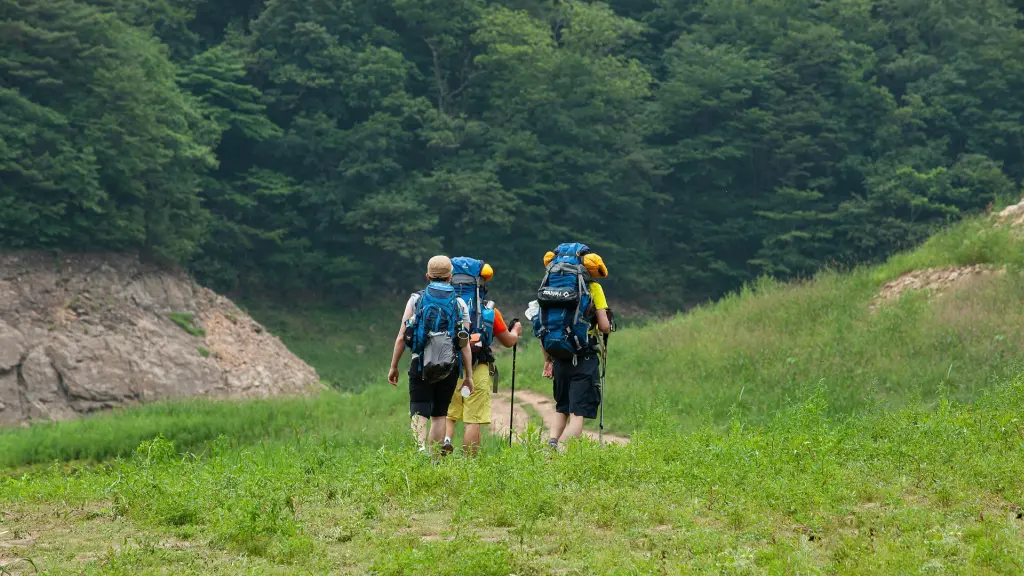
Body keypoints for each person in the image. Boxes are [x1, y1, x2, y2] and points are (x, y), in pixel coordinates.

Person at [388, 255, 474, 455]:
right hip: (448, 367)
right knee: (439, 414)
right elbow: (464, 343)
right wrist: (469, 376)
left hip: (420, 363)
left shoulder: (416, 300)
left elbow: (402, 336)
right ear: (450, 276)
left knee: (419, 411)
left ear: (427, 276)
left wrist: (394, 366)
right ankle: (434, 460)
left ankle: (419, 450)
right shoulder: (460, 303)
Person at [442, 258, 523, 456]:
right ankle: (469, 466)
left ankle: (443, 447)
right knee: (473, 419)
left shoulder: (442, 307)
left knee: (448, 416)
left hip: (446, 368)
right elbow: (508, 341)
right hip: (477, 367)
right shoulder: (488, 311)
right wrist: (516, 331)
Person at [536, 247, 612, 450]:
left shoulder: (550, 287)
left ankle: (552, 443)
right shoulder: (593, 287)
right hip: (584, 357)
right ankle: (562, 451)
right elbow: (604, 327)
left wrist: (548, 360)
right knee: (577, 413)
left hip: (559, 356)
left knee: (561, 407)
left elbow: (542, 327)